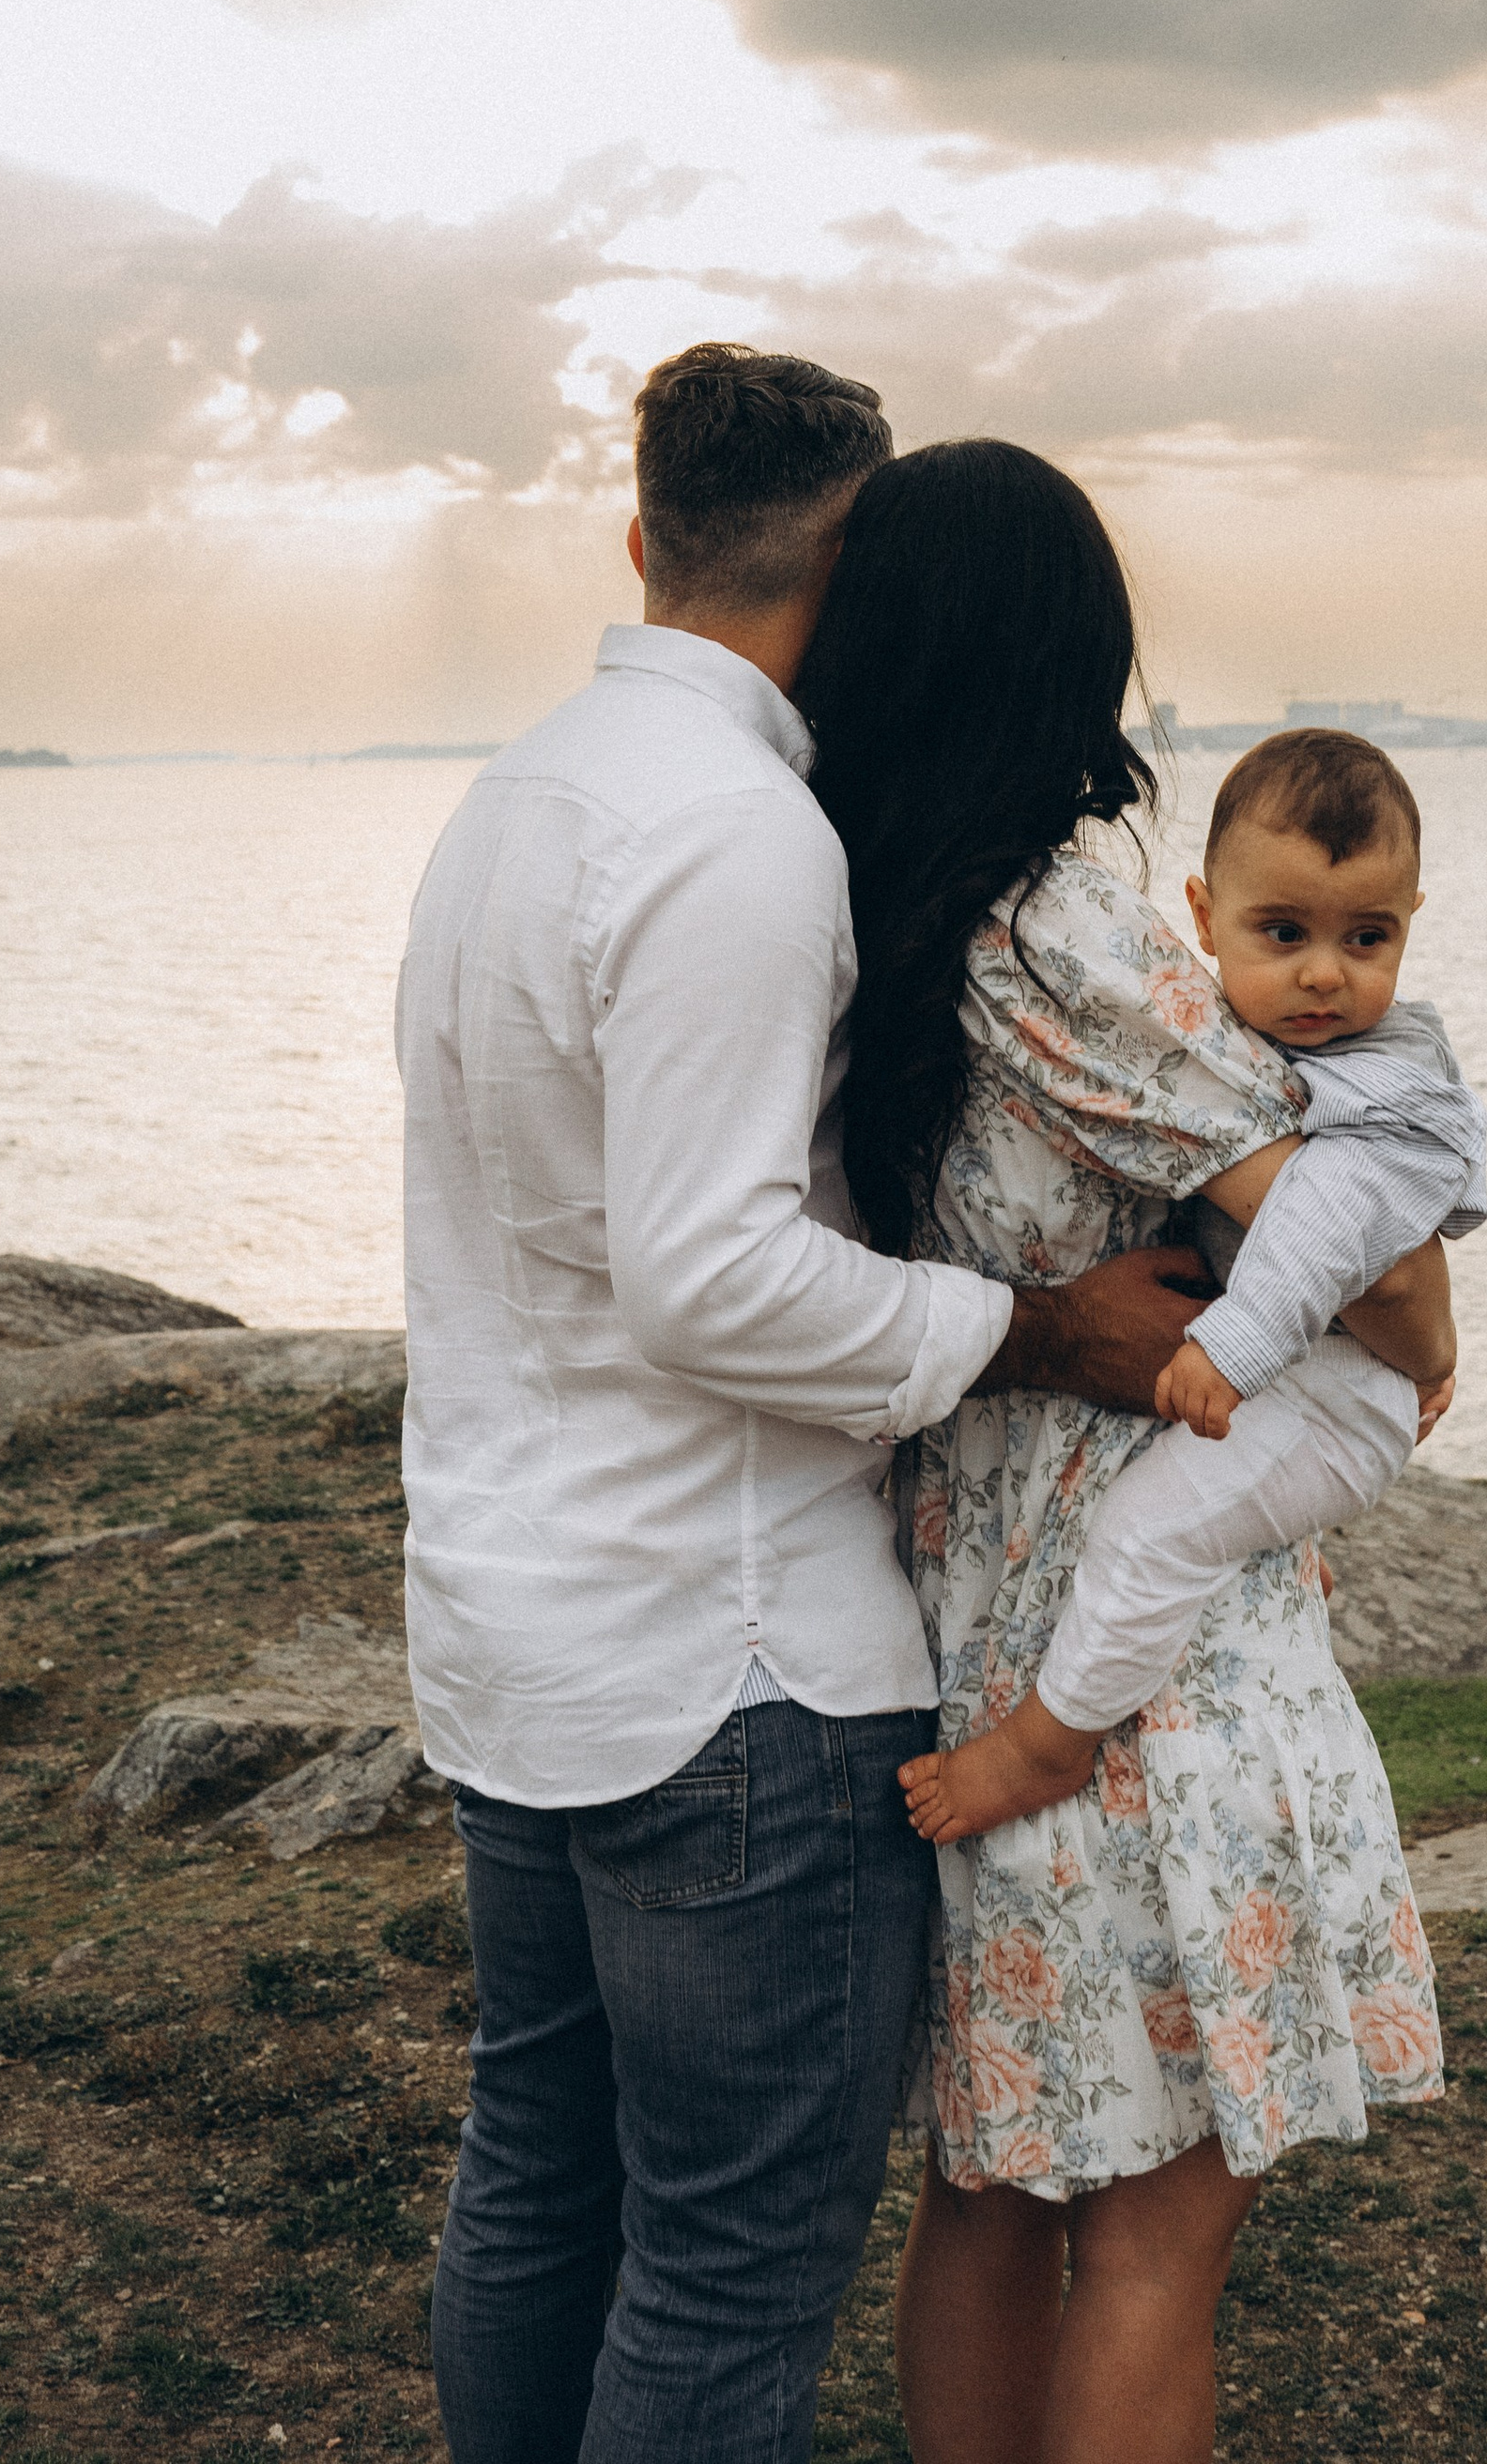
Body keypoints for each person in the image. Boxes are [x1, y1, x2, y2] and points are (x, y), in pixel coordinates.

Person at [400, 347, 1210, 2464]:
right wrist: (1035, 1328)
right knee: (728, 2270)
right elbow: (706, 1276)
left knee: (539, 2187)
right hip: (723, 1671)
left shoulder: (512, 802)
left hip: (517, 1632)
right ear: (847, 558)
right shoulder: (738, 840)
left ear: (642, 534)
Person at [797, 440, 1456, 2464]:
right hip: (1144, 1666)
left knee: (995, 2188)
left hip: (979, 1609)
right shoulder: (1073, 928)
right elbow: (1388, 1289)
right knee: (1158, 2237)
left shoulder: (864, 906)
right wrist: (1423, 1328)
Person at [900, 724, 1486, 1845]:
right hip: (1307, 1384)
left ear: (1412, 928)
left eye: (1367, 937)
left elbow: (1332, 1232)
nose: (1324, 972)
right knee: (1194, 1530)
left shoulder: (1391, 1080)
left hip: (1330, 1395)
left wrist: (1229, 1351)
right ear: (1200, 918)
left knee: (1149, 1536)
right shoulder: (1255, 1043)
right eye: (1283, 933)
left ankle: (1043, 1747)